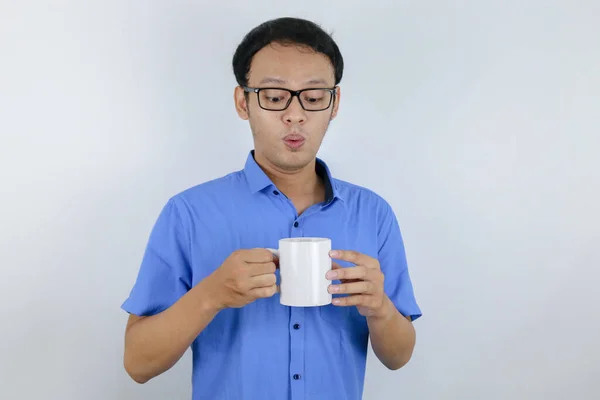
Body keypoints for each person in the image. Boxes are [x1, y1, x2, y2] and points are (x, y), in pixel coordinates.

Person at [121, 16, 422, 400]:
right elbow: (138, 364)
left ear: (334, 104)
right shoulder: (189, 213)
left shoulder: (373, 214)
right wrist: (212, 293)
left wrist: (380, 308)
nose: (295, 115)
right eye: (275, 97)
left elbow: (399, 357)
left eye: (313, 98)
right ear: (242, 102)